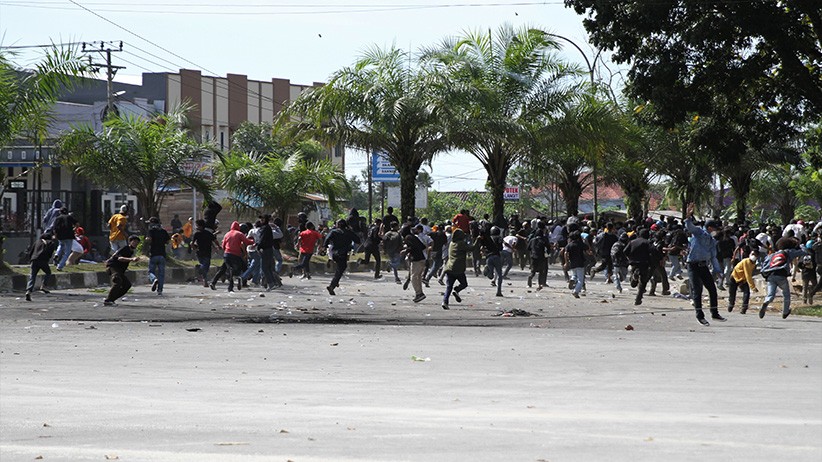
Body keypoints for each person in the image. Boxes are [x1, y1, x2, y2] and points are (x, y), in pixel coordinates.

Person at [684, 204, 726, 326]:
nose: (717, 232)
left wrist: (718, 271)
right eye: (715, 229)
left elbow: (713, 257)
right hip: (693, 265)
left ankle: (715, 313)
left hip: (703, 266)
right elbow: (689, 226)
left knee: (712, 290)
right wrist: (688, 216)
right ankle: (700, 316)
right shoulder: (699, 233)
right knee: (697, 290)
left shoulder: (713, 242)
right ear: (709, 228)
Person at [759, 242, 807, 319]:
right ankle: (785, 312)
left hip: (771, 275)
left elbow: (764, 265)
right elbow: (804, 251)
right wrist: (802, 245)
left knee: (770, 294)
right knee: (786, 294)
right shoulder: (788, 252)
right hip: (781, 275)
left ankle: (766, 301)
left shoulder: (772, 255)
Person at [324, 219, 361, 296]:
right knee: (340, 270)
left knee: (339, 268)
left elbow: (327, 240)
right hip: (343, 254)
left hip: (334, 253)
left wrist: (324, 247)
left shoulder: (333, 232)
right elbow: (358, 240)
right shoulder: (348, 232)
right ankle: (332, 285)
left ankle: (335, 281)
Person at [103, 235, 141, 306]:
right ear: (130, 242)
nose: (136, 244)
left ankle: (111, 299)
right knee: (117, 280)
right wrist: (131, 259)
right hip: (113, 266)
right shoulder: (125, 248)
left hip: (119, 269)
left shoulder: (131, 252)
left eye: (137, 242)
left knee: (127, 285)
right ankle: (108, 300)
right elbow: (119, 258)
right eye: (134, 241)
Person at [441, 228, 474, 310]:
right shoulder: (461, 243)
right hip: (458, 268)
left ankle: (445, 302)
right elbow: (471, 248)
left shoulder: (452, 243)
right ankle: (457, 290)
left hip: (449, 267)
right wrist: (477, 240)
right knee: (464, 284)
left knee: (449, 287)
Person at [25, 231, 57, 302]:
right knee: (48, 272)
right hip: (43, 260)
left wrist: (31, 259)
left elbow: (31, 251)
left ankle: (28, 291)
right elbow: (50, 254)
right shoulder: (51, 243)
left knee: (32, 276)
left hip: (34, 260)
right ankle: (43, 286)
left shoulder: (37, 242)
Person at [624, 228, 653, 306]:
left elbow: (625, 251)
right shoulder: (648, 243)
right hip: (644, 263)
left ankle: (634, 277)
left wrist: (629, 258)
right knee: (643, 282)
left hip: (633, 263)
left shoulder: (632, 242)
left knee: (633, 284)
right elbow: (653, 252)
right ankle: (638, 299)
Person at [145, 217, 170, 296]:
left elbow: (149, 239)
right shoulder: (163, 231)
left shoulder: (151, 231)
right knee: (161, 273)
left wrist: (147, 241)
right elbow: (168, 241)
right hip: (162, 255)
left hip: (153, 254)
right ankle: (160, 290)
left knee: (150, 272)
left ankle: (154, 279)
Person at [191, 219, 220, 287]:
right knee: (205, 266)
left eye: (197, 225)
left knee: (205, 267)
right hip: (205, 252)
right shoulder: (207, 233)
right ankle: (202, 274)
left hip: (201, 252)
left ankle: (204, 279)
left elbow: (192, 243)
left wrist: (194, 248)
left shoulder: (197, 234)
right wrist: (218, 246)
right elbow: (215, 241)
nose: (197, 227)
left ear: (201, 226)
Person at [404, 224, 428, 302]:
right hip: (422, 258)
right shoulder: (415, 237)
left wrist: (406, 251)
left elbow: (412, 247)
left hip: (416, 260)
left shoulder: (408, 237)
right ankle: (420, 293)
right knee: (418, 277)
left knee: (413, 277)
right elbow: (423, 246)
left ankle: (419, 293)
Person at [563, 231, 591, 298]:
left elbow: (565, 253)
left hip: (572, 263)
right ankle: (576, 291)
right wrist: (590, 253)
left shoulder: (569, 244)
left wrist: (566, 262)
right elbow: (588, 250)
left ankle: (572, 279)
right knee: (580, 280)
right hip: (580, 263)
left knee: (575, 274)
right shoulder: (581, 244)